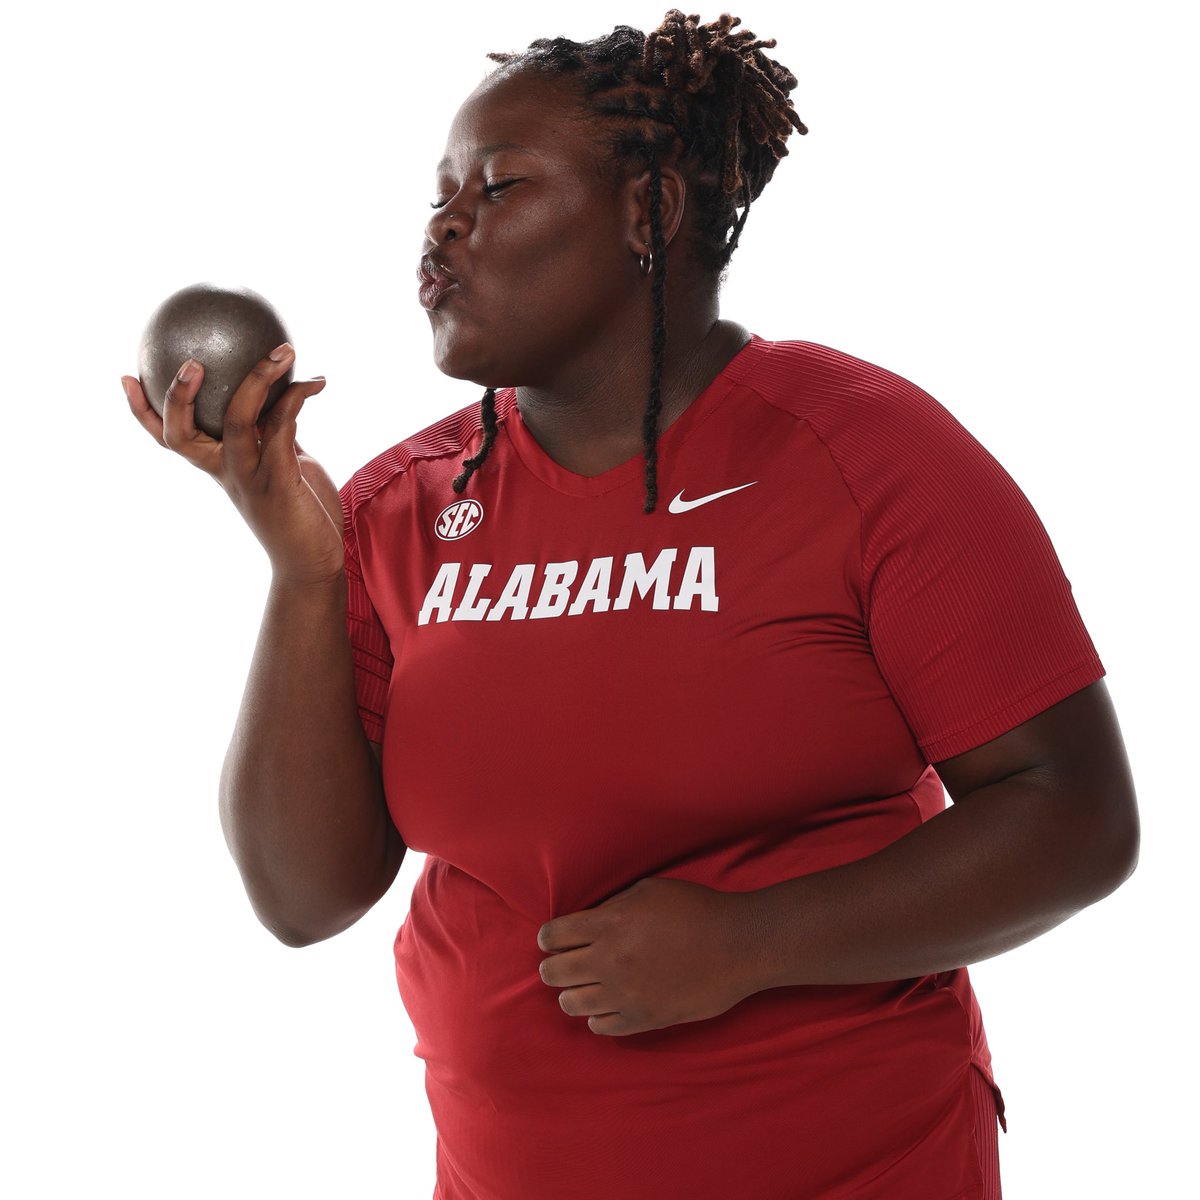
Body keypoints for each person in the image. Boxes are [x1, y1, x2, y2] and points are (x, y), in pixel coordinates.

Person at [122, 10, 1140, 1199]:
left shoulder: (866, 451)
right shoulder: (395, 505)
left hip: (857, 1166)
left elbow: (1075, 815)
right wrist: (304, 573)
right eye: (439, 193)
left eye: (498, 187)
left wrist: (751, 945)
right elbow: (304, 900)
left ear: (651, 213)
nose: (444, 226)